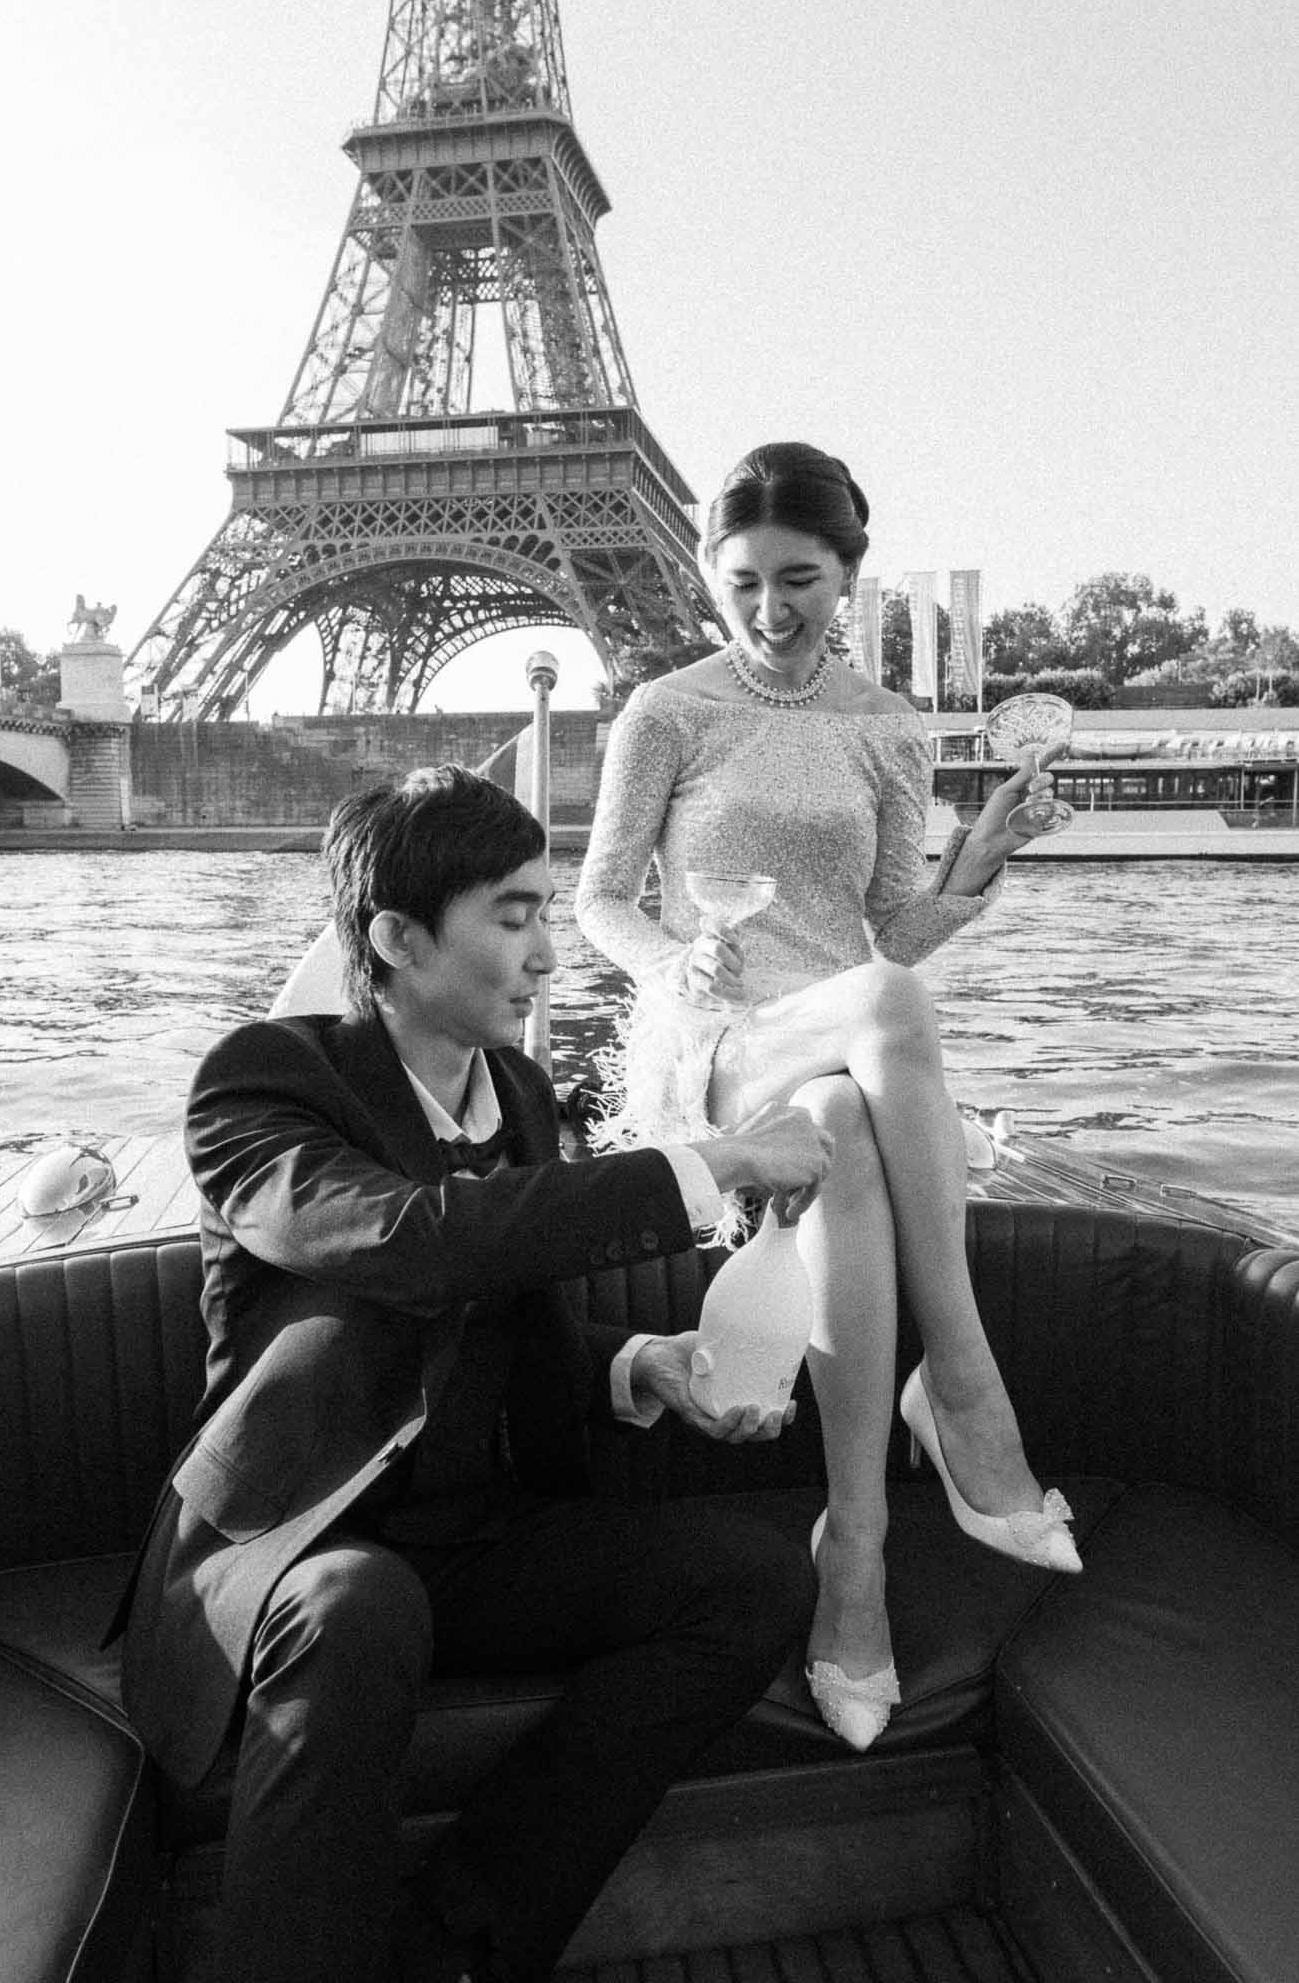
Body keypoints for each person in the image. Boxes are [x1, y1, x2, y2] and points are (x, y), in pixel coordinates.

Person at [116, 764, 832, 1983]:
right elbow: (413, 1243)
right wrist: (713, 1159)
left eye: (548, 911)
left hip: (476, 1537)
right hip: (299, 1541)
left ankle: (455, 1945)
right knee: (360, 1605)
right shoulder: (263, 1083)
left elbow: (499, 1305)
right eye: (513, 916)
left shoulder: (522, 1093)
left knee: (754, 1579)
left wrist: (637, 1364)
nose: (549, 954)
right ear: (397, 939)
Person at [574, 440, 1080, 1756]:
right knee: (884, 1017)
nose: (769, 608)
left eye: (797, 579)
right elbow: (600, 897)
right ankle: (960, 1384)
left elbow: (890, 930)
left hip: (842, 1058)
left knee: (851, 1112)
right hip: (710, 1047)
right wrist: (667, 963)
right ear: (709, 571)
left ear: (848, 573)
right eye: (742, 581)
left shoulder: (886, 728)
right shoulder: (665, 712)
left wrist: (978, 856)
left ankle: (854, 1545)